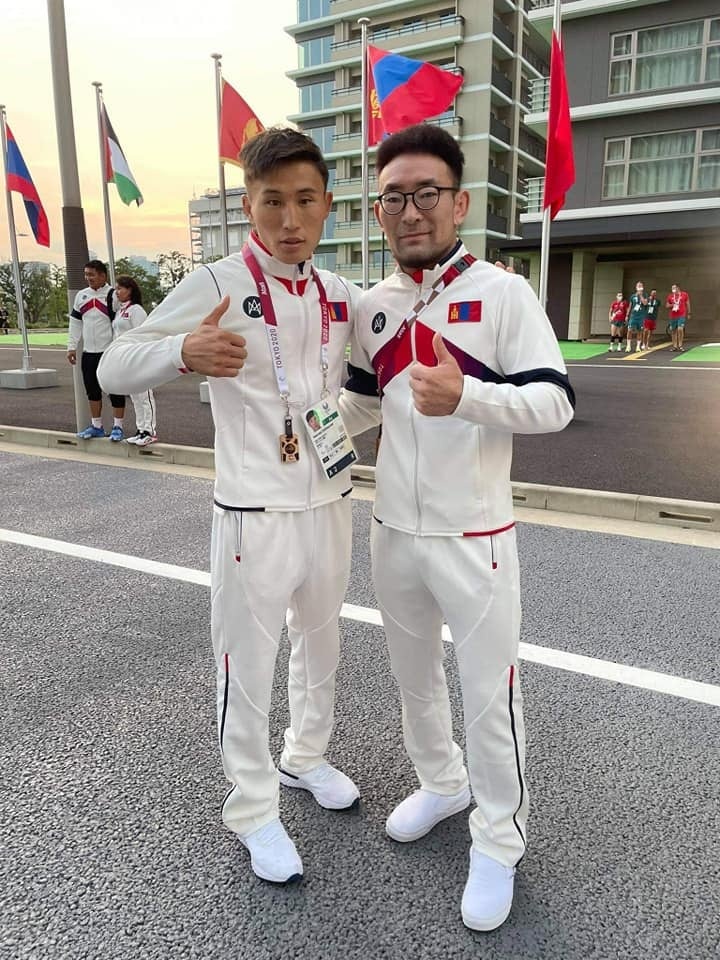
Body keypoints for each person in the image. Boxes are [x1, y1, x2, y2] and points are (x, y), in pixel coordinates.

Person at [98, 128, 379, 885]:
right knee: (247, 664)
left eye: (305, 201)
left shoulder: (341, 294)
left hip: (331, 501)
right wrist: (182, 352)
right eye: (271, 202)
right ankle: (253, 809)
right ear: (248, 206)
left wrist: (345, 419)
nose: (290, 219)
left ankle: (305, 758)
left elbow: (377, 381)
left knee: (322, 646)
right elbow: (115, 364)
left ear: (327, 205)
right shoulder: (217, 282)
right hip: (253, 513)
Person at [345, 124, 575, 932]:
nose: (410, 211)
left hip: (476, 537)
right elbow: (359, 406)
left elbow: (555, 402)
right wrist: (295, 430)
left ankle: (499, 839)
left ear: (459, 203)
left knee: (490, 696)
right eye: (393, 198)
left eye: (426, 194)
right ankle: (442, 784)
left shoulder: (504, 294)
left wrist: (468, 397)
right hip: (391, 530)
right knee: (413, 681)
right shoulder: (373, 307)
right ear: (379, 210)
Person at [68, 260, 126, 440]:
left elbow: (121, 323)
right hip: (88, 353)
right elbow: (75, 323)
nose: (88, 278)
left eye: (91, 274)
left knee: (114, 389)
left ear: (102, 275)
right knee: (92, 390)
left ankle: (118, 427)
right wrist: (71, 346)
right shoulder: (81, 296)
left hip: (108, 352)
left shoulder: (113, 295)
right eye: (86, 274)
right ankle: (96, 426)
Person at [113, 275, 157, 445]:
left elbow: (142, 335)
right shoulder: (120, 311)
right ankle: (140, 429)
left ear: (129, 290)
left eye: (120, 288)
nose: (117, 292)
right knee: (135, 396)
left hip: (137, 357)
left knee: (145, 395)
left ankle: (150, 431)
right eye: (116, 289)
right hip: (124, 359)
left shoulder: (137, 310)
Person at [666, 283, 691, 352]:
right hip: (673, 315)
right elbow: (667, 305)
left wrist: (689, 313)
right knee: (673, 330)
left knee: (680, 329)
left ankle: (680, 345)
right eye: (672, 288)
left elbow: (688, 303)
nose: (673, 289)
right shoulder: (670, 296)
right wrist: (672, 305)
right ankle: (674, 346)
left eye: (674, 288)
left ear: (678, 288)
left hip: (681, 315)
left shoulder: (684, 294)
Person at [624, 281, 648, 352]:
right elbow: (630, 306)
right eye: (638, 286)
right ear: (636, 287)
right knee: (630, 330)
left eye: (641, 286)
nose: (640, 287)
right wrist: (627, 315)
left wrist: (640, 295)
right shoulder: (633, 296)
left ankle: (638, 346)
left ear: (643, 287)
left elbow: (645, 303)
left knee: (640, 331)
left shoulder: (645, 295)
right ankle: (628, 346)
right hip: (633, 316)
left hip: (641, 316)